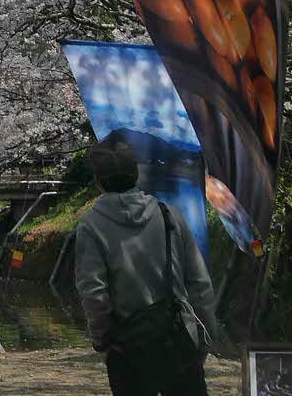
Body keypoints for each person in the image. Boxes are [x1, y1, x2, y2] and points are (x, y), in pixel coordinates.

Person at [74, 138, 220, 396]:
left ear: (98, 180)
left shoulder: (91, 226)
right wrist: (205, 336)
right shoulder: (168, 214)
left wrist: (103, 342)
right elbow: (200, 283)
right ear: (136, 174)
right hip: (178, 340)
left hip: (127, 349)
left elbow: (94, 293)